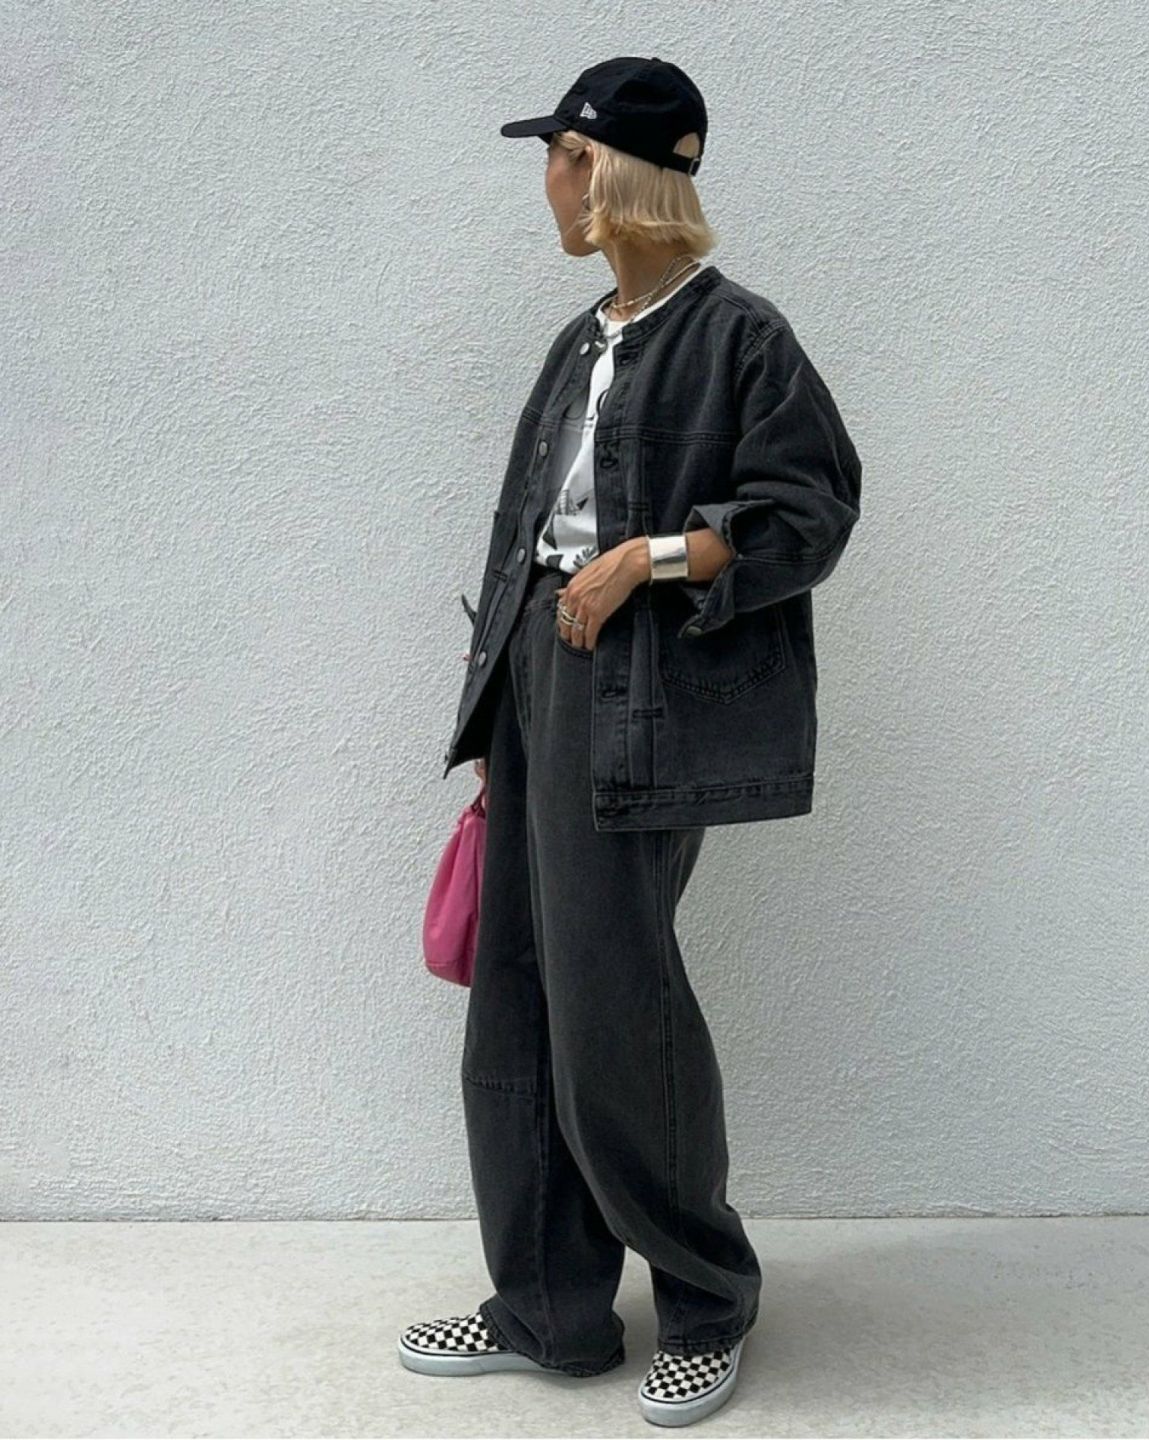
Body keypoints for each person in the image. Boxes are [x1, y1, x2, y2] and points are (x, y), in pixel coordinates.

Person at [400, 56, 862, 1428]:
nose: (546, 182)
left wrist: (646, 558)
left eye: (558, 156)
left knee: (616, 1003)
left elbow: (809, 512)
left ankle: (706, 1300)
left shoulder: (742, 338)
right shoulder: (582, 338)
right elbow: (524, 537)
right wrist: (496, 719)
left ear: (605, 171)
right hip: (542, 687)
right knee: (516, 1000)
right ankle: (549, 1309)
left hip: (647, 697)